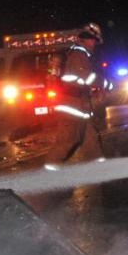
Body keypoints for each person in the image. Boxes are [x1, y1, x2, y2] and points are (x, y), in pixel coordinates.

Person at [51, 22, 112, 165]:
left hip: (80, 104)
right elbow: (88, 77)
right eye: (93, 40)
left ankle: (101, 169)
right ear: (87, 39)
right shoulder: (78, 54)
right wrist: (107, 83)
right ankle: (48, 175)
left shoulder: (79, 54)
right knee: (66, 142)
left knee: (91, 139)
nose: (94, 44)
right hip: (71, 105)